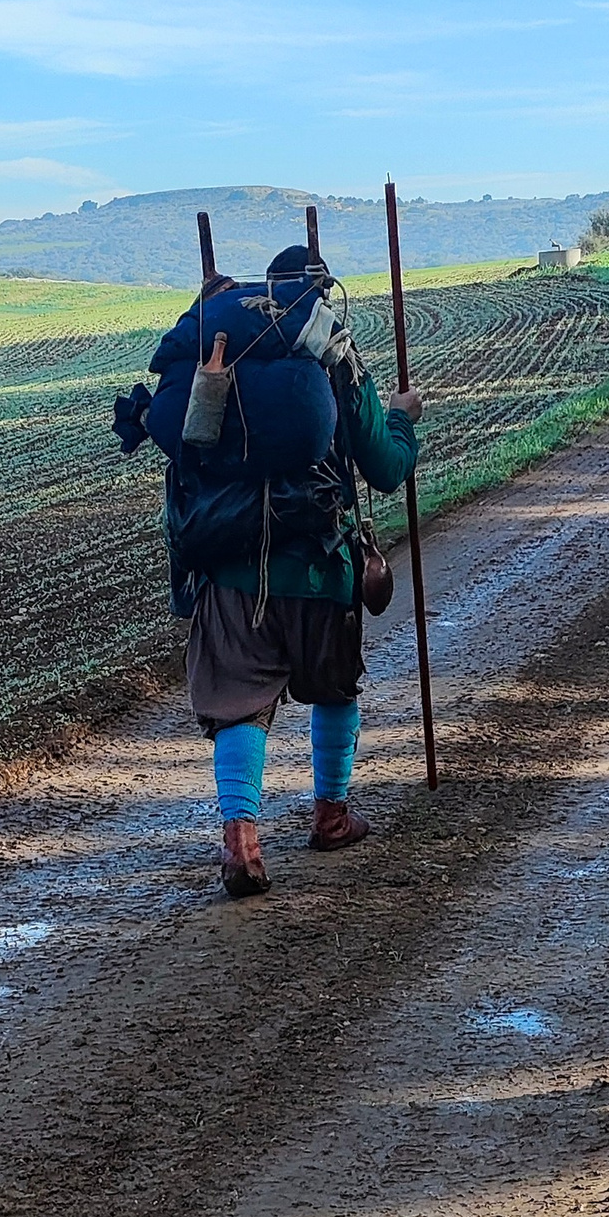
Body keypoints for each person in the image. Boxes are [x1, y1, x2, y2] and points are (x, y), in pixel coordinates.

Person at [119, 241, 422, 899]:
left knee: (238, 709)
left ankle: (243, 844)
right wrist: (402, 420)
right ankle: (332, 816)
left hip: (230, 569)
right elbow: (386, 468)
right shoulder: (335, 357)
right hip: (320, 568)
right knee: (336, 688)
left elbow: (185, 453)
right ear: (318, 292)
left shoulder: (216, 343)